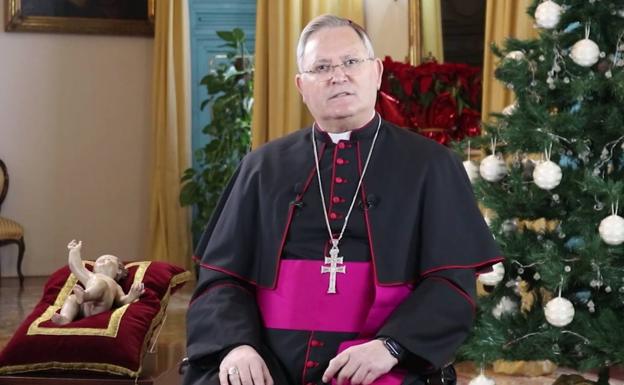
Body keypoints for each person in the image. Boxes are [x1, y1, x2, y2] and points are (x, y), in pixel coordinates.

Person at [183, 14, 502, 385]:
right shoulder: (262, 167)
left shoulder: (431, 164)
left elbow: (450, 283)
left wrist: (391, 347)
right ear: (302, 86)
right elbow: (221, 279)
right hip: (267, 360)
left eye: (351, 62)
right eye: (321, 67)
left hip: (381, 361)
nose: (338, 76)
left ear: (376, 73)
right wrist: (237, 346)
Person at [51, 240, 145, 325]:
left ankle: (85, 295)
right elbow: (76, 266)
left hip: (99, 308)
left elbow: (121, 301)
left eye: (108, 259)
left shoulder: (115, 285)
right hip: (83, 308)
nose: (102, 259)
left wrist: (131, 296)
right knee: (72, 299)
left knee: (101, 284)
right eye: (98, 261)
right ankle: (65, 318)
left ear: (119, 270)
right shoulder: (90, 275)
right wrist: (74, 251)